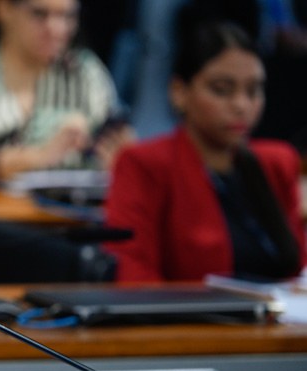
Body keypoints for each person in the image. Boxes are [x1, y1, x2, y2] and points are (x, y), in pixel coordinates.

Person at [104, 20, 306, 282]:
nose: (241, 105)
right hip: (186, 309)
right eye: (222, 90)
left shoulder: (277, 162)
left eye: (253, 90)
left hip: (282, 308)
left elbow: (298, 268)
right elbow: (132, 274)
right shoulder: (145, 164)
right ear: (179, 92)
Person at [0, 0, 132, 195]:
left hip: (70, 213)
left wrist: (120, 155)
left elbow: (116, 148)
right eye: (39, 14)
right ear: (2, 8)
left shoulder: (85, 72)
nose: (56, 29)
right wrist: (39, 156)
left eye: (67, 16)